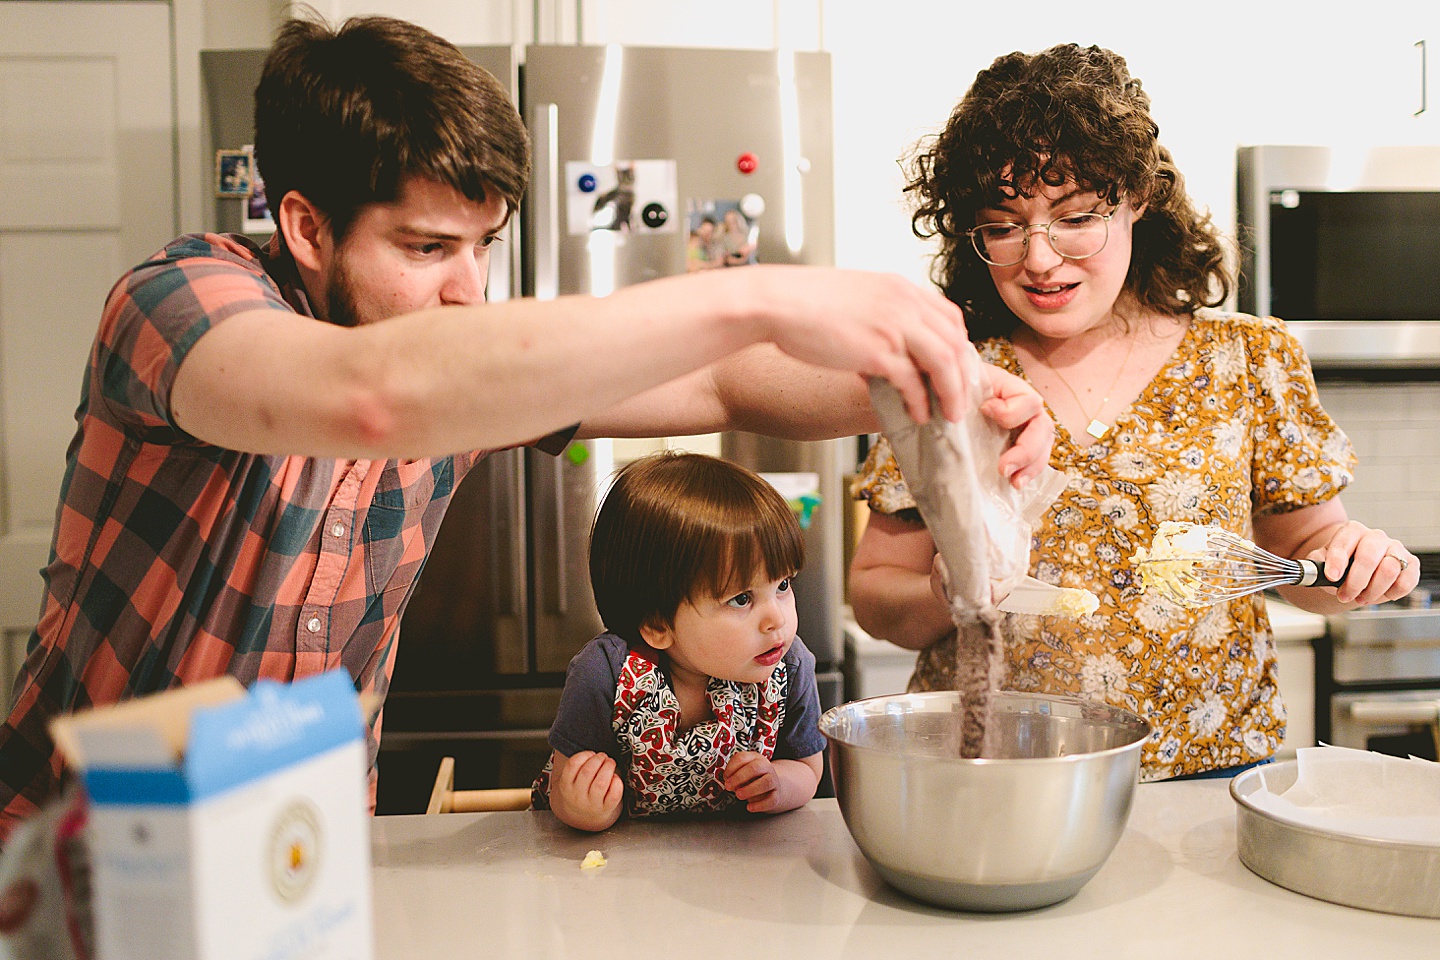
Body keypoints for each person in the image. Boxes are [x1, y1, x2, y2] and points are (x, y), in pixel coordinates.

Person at [0, 15, 1053, 835]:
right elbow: (370, 393)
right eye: (424, 249)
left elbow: (728, 384)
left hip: (300, 847)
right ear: (307, 228)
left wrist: (952, 387)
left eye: (483, 247)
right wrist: (758, 290)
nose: (469, 293)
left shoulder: (458, 359)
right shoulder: (181, 305)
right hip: (84, 841)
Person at [848, 43, 1420, 782]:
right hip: (998, 772)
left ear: (1138, 199)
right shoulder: (953, 367)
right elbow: (875, 590)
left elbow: (1307, 551)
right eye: (1003, 225)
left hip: (1207, 775)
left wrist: (1353, 562)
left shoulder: (1248, 359)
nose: (1041, 259)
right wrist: (940, 592)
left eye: (1076, 216)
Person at [531, 452, 823, 831]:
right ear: (657, 625)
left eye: (783, 585)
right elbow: (563, 790)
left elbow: (808, 767)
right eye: (741, 599)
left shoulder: (790, 666)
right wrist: (587, 809)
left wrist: (779, 784)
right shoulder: (604, 675)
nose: (778, 620)